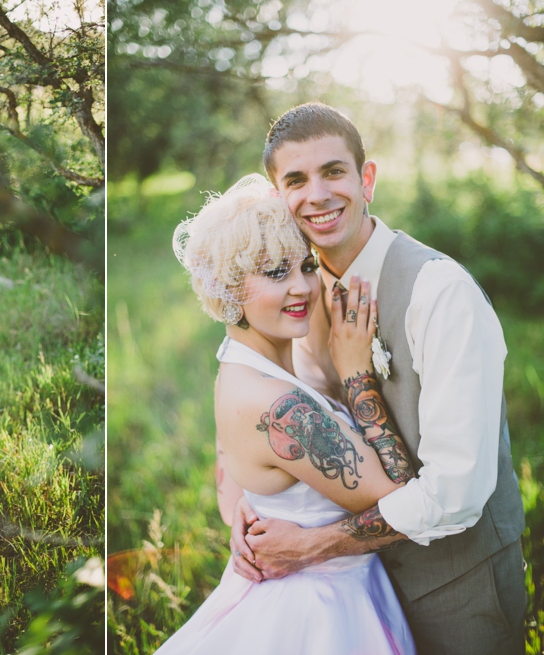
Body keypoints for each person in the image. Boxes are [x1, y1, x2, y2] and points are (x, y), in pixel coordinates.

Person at [229, 103, 526, 654]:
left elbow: (456, 494)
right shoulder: (297, 296)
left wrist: (313, 545)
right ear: (278, 199)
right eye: (296, 180)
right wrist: (252, 514)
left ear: (366, 179)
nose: (316, 195)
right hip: (358, 597)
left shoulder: (441, 293)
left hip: (456, 588)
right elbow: (258, 410)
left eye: (333, 171)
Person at [157, 173, 416, 654]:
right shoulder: (277, 406)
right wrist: (357, 374)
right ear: (231, 287)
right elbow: (404, 504)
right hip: (319, 614)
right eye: (276, 273)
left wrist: (246, 519)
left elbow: (229, 473)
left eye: (305, 265)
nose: (302, 288)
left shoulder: (238, 361)